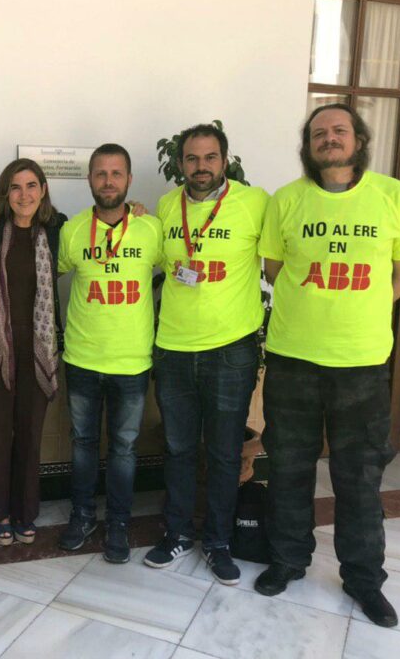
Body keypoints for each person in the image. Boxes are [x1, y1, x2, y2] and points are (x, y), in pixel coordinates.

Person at [255, 104, 400, 628]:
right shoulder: (286, 200)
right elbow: (274, 267)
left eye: (339, 131)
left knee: (359, 477)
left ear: (358, 139)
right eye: (318, 133)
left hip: (362, 365)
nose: (329, 139)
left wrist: (361, 310)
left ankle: (364, 581)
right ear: (307, 144)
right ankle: (287, 560)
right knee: (287, 467)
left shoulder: (395, 196)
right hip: (292, 360)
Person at [143, 124, 269, 585]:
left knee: (223, 453)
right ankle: (176, 533)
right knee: (177, 450)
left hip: (231, 350)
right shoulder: (163, 206)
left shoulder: (256, 203)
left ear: (225, 160)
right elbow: (156, 259)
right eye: (192, 159)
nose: (201, 167)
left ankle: (217, 542)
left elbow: (278, 262)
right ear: (180, 164)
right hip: (174, 348)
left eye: (210, 157)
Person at [57, 143, 163, 563]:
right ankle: (82, 515)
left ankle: (118, 522)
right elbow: (48, 272)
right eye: (100, 173)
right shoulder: (72, 231)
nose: (108, 181)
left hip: (133, 361)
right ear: (89, 180)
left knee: (124, 449)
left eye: (116, 173)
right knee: (82, 443)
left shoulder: (150, 229)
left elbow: (179, 274)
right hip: (81, 358)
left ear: (129, 180)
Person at [0, 159, 66, 546]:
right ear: (5, 194)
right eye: (15, 187)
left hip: (39, 345)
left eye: (31, 185)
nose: (23, 194)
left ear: (42, 190)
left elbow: (108, 227)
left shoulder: (58, 231)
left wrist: (136, 211)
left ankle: (26, 511)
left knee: (29, 430)